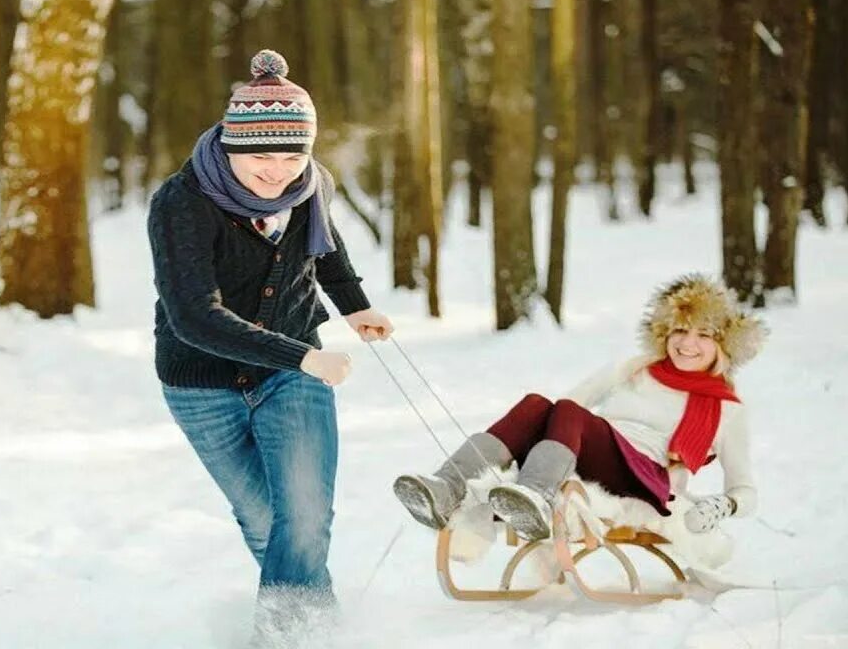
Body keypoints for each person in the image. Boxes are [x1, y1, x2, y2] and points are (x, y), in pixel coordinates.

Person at [146, 49, 393, 637]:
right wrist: (305, 354)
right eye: (260, 155)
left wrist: (355, 306)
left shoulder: (311, 186)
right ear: (231, 146)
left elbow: (324, 248)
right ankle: (320, 628)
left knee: (305, 521)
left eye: (293, 155)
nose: (277, 171)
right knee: (265, 521)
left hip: (291, 378)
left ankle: (288, 639)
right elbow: (194, 317)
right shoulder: (181, 203)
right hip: (202, 383)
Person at [394, 274, 767, 541]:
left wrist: (725, 506)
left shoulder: (727, 409)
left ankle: (537, 497)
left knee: (570, 412)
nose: (688, 343)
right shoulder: (635, 368)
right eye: (680, 331)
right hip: (590, 454)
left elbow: (745, 489)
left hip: (643, 477)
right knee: (537, 404)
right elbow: (563, 409)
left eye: (704, 335)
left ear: (724, 347)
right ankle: (448, 486)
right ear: (664, 334)